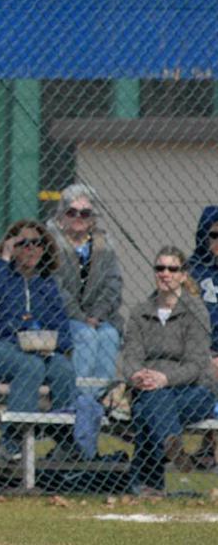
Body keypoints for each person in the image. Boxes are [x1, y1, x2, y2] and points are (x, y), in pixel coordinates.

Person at [0, 220, 77, 464]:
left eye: (37, 243)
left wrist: (48, 343)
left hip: (37, 352)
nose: (31, 249)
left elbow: (65, 335)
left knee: (63, 368)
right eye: (23, 243)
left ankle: (64, 441)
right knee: (29, 366)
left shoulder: (46, 284)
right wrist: (4, 259)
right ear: (12, 247)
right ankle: (10, 444)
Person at [121, 246, 217, 495]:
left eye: (172, 269)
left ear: (184, 275)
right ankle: (170, 445)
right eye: (160, 268)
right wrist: (136, 375)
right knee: (151, 401)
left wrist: (164, 378)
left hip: (194, 392)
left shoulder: (195, 311)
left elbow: (196, 365)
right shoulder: (140, 312)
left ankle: (145, 483)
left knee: (148, 409)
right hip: (148, 387)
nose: (165, 273)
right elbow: (131, 356)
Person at [46, 183, 123, 459]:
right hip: (63, 317)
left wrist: (97, 315)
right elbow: (54, 286)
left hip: (96, 316)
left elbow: (114, 283)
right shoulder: (50, 240)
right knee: (87, 336)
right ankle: (81, 402)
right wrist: (81, 318)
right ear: (61, 214)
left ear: (94, 217)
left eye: (85, 213)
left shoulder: (103, 243)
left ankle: (95, 398)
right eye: (72, 212)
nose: (78, 218)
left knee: (109, 335)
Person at [189, 206, 218, 467]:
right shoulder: (191, 272)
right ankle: (210, 446)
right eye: (215, 235)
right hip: (199, 352)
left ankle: (210, 447)